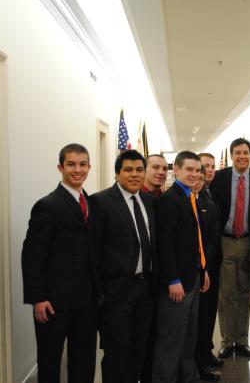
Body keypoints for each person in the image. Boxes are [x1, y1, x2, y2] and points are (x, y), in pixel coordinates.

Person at [22, 143, 99, 383]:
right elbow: (32, 255)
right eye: (71, 164)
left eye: (83, 164)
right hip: (53, 303)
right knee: (50, 362)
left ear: (89, 167)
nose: (78, 170)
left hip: (87, 302)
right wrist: (38, 298)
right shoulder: (47, 206)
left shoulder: (93, 204)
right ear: (60, 167)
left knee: (84, 360)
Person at [91, 149, 158, 383]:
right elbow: (93, 252)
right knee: (117, 353)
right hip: (116, 292)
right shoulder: (100, 202)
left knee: (140, 349)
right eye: (128, 170)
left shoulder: (150, 201)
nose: (134, 175)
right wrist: (101, 293)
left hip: (145, 289)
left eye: (139, 169)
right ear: (117, 173)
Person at [152, 151, 213, 383]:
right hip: (177, 282)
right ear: (175, 170)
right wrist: (172, 280)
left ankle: (189, 377)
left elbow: (193, 240)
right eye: (189, 170)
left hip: (193, 276)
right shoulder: (169, 200)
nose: (194, 174)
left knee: (189, 335)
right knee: (171, 339)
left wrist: (202, 268)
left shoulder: (191, 196)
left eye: (198, 171)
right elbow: (164, 245)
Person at [211, 138, 250, 359]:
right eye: (237, 153)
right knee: (226, 294)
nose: (242, 156)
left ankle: (242, 340)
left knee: (244, 293)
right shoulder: (220, 178)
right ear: (232, 155)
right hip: (224, 241)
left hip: (247, 242)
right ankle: (226, 341)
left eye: (245, 152)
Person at [139, 153, 168, 383]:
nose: (160, 172)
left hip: (159, 278)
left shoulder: (163, 198)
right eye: (155, 167)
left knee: (157, 331)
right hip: (136, 280)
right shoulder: (136, 197)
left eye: (164, 168)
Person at [192, 168, 222, 381]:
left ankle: (203, 356)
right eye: (194, 177)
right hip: (184, 273)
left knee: (206, 316)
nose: (197, 181)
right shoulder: (174, 202)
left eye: (201, 178)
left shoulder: (208, 205)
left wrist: (203, 264)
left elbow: (213, 239)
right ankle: (192, 363)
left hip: (206, 270)